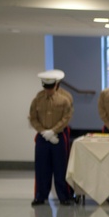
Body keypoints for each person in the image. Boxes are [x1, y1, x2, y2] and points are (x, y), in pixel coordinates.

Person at [29, 69, 74, 206]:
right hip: (43, 137)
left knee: (60, 168)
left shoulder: (64, 100)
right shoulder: (38, 99)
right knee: (42, 168)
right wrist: (43, 132)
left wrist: (54, 131)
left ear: (55, 85)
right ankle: (40, 196)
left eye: (50, 87)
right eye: (46, 87)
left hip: (58, 137)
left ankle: (63, 196)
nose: (48, 90)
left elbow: (66, 118)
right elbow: (33, 117)